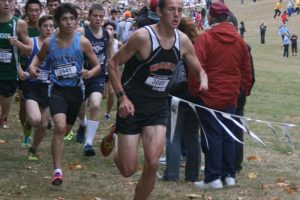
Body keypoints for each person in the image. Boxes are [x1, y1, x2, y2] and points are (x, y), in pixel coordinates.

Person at [103, 0, 207, 198]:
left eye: (179, 10)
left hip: (158, 107)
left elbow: (199, 70)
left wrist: (203, 80)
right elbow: (112, 64)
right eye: (171, 10)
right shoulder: (142, 37)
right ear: (159, 11)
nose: (176, 15)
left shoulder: (183, 40)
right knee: (128, 170)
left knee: (152, 162)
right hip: (131, 105)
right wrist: (122, 97)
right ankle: (116, 136)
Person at [28, 3, 100, 185]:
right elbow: (38, 58)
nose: (69, 22)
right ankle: (57, 171)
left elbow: (98, 65)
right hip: (57, 89)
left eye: (72, 19)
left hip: (76, 90)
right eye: (65, 19)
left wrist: (89, 73)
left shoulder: (82, 42)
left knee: (66, 129)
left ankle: (76, 130)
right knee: (59, 128)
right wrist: (32, 66)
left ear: (76, 21)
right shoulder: (50, 42)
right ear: (58, 22)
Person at [190, 2, 252, 189]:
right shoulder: (239, 40)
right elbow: (246, 70)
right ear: (226, 18)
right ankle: (228, 175)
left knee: (212, 136)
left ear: (210, 18)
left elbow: (196, 67)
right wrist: (242, 90)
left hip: (209, 95)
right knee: (228, 135)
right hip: (230, 95)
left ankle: (213, 177)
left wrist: (195, 91)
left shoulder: (206, 38)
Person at [161, 16, 201, 182]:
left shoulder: (174, 47)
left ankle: (171, 174)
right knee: (192, 136)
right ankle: (192, 175)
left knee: (173, 136)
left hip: (176, 96)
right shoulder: (199, 47)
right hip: (195, 97)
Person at [75, 3, 113, 156]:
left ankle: (89, 143)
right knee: (80, 106)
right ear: (89, 16)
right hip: (81, 75)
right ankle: (83, 124)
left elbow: (110, 56)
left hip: (98, 74)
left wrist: (111, 73)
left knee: (96, 104)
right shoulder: (81, 32)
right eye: (95, 16)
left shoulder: (107, 34)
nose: (98, 19)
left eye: (101, 16)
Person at [22, 15, 54, 160]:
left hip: (48, 87)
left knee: (44, 123)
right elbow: (15, 55)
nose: (48, 29)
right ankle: (28, 123)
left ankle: (33, 150)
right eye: (45, 26)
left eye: (51, 26)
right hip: (32, 86)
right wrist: (20, 71)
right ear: (39, 28)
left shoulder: (57, 45)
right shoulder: (31, 42)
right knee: (35, 119)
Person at [0, 0, 31, 129]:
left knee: (5, 104)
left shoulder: (19, 23)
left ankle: (4, 118)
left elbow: (29, 49)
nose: (7, 4)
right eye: (3, 1)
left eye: (10, 1)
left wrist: (18, 44)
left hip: (9, 73)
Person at [103, 21, 122, 121]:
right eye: (107, 29)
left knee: (111, 92)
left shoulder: (118, 43)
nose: (109, 31)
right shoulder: (100, 41)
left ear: (114, 31)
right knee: (103, 95)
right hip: (101, 70)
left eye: (111, 29)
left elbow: (122, 57)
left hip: (112, 70)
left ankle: (107, 113)